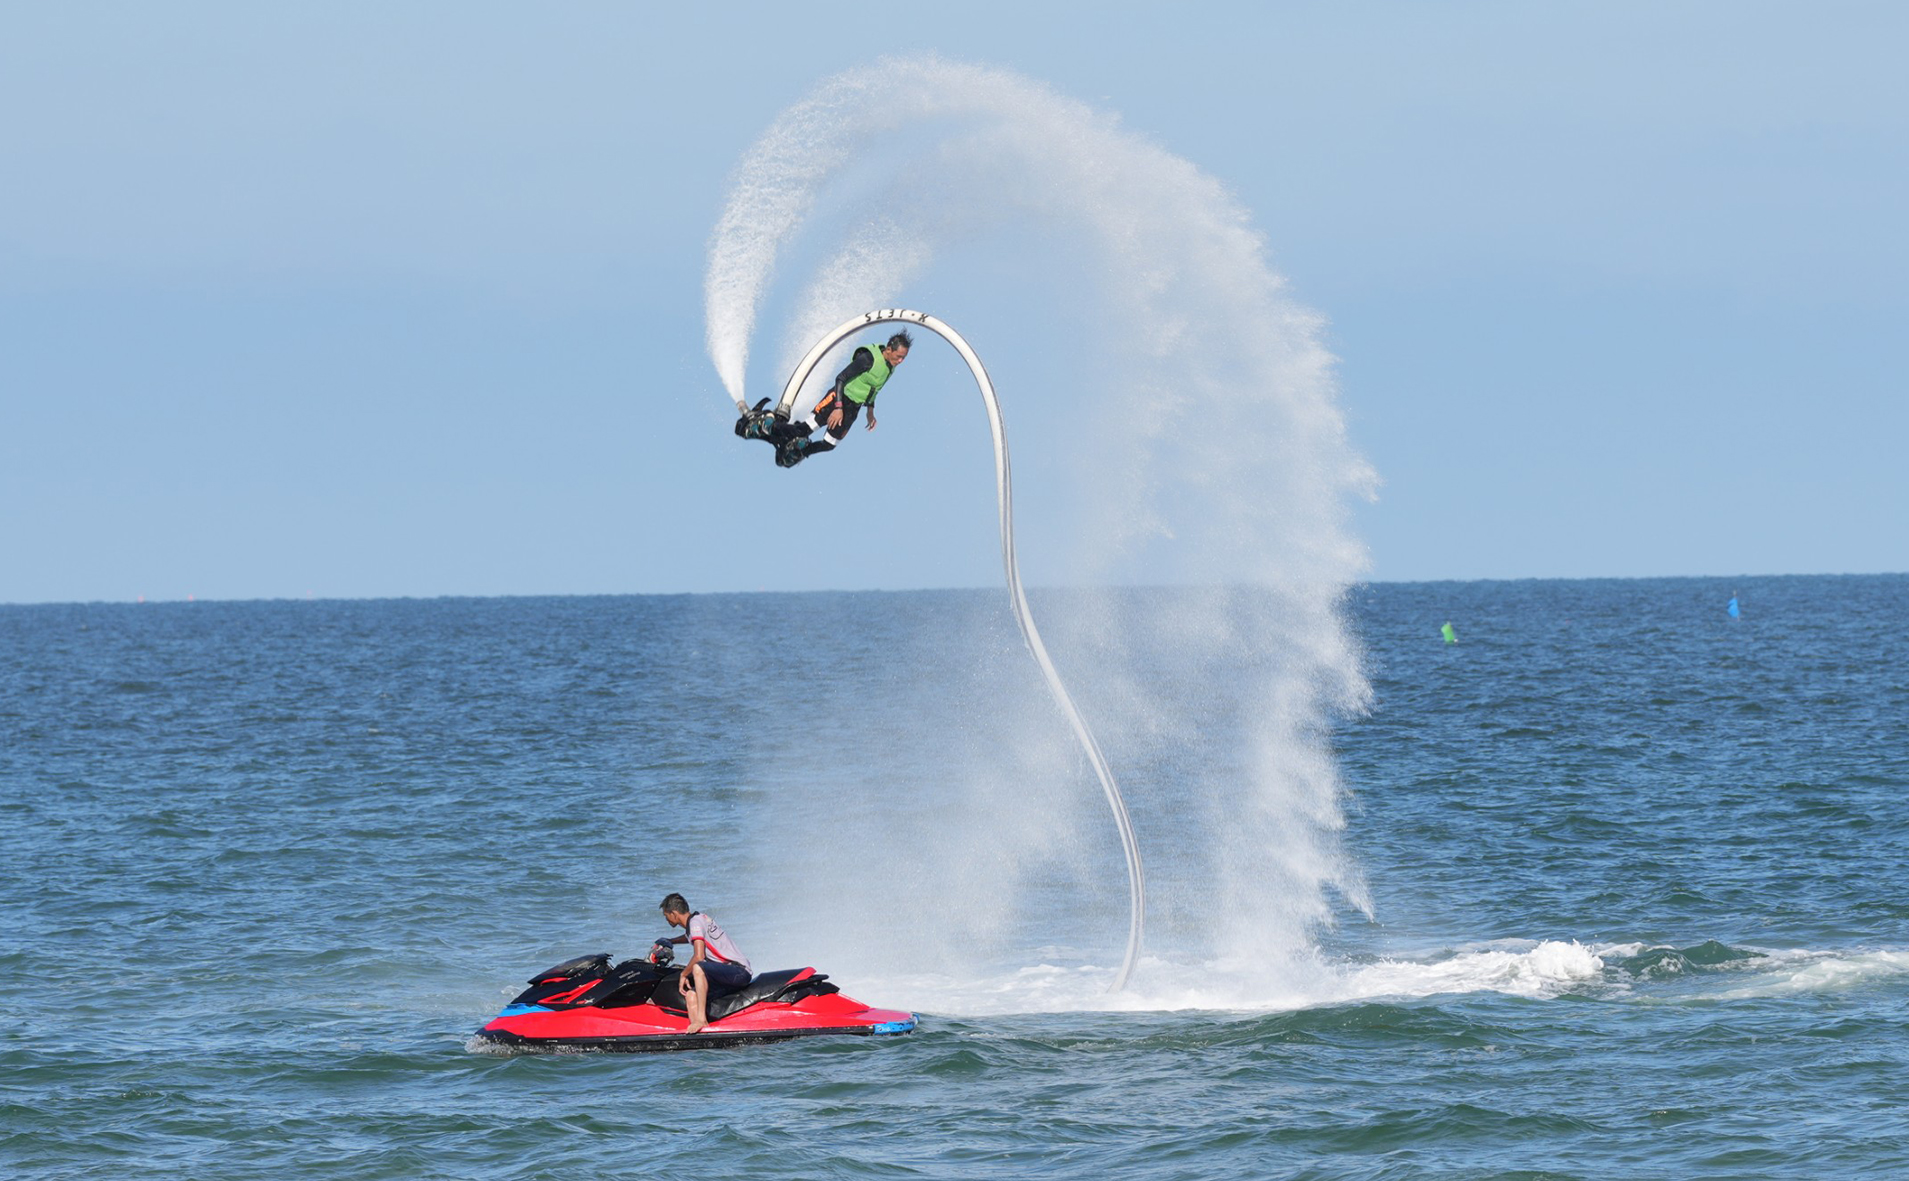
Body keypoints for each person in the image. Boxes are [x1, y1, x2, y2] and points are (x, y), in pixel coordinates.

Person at [777, 331, 912, 466]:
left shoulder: (890, 367)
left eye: (903, 358)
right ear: (889, 349)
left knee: (829, 444)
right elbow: (840, 378)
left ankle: (799, 451)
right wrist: (838, 407)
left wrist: (870, 412)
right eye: (899, 356)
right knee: (807, 428)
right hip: (838, 398)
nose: (901, 361)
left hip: (853, 408)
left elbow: (874, 389)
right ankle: (771, 426)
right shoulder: (868, 359)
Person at [657, 893, 752, 1034]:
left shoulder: (695, 923)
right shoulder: (697, 920)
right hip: (726, 973)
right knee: (690, 995)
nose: (666, 919)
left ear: (674, 914)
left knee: (698, 967)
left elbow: (699, 956)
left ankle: (701, 1019)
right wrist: (671, 941)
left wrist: (683, 975)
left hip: (738, 971)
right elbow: (690, 936)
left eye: (666, 915)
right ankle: (702, 1032)